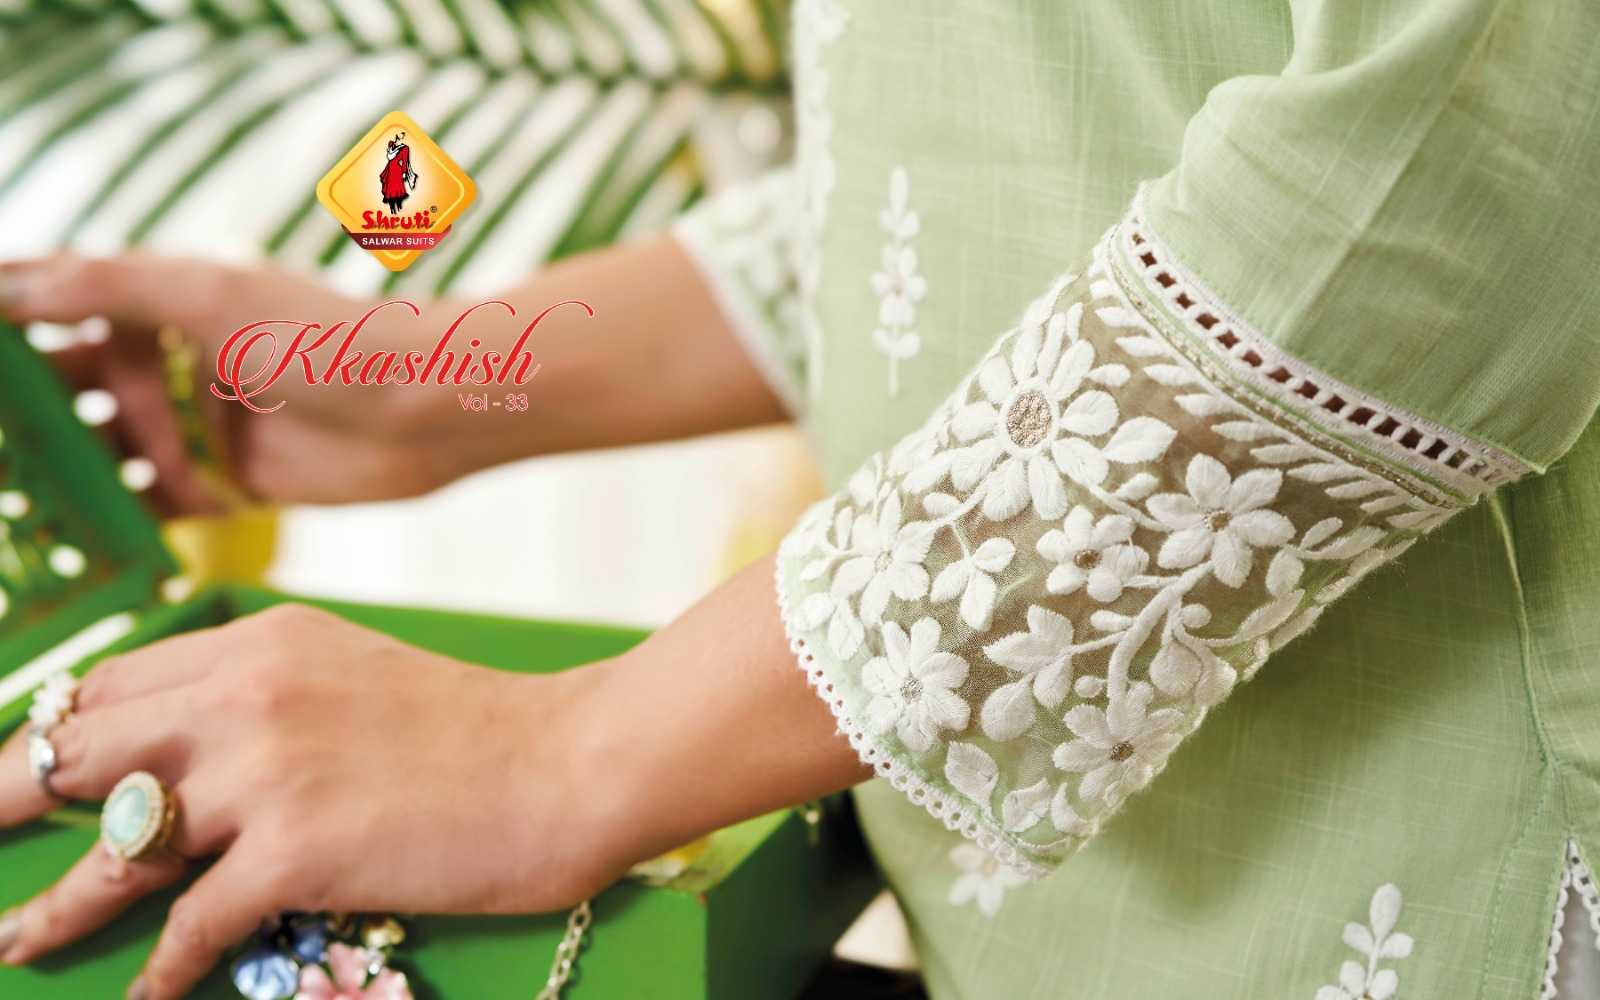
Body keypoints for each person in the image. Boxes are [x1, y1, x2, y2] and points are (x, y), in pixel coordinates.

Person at [3, 1, 1600, 998]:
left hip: (1416, 870)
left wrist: (572, 753)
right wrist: (443, 382)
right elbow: (983, 148)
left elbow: (1466, 171)